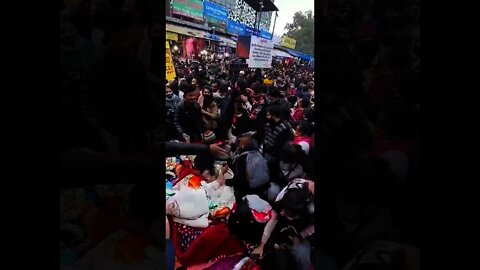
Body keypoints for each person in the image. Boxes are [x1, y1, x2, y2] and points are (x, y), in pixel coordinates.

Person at [251, 178, 315, 270]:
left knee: (303, 252)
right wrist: (262, 244)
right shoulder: (287, 194)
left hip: (302, 224)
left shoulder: (310, 211)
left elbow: (312, 226)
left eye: (287, 213)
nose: (282, 213)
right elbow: (274, 218)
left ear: (298, 216)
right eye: (283, 210)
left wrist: (300, 236)